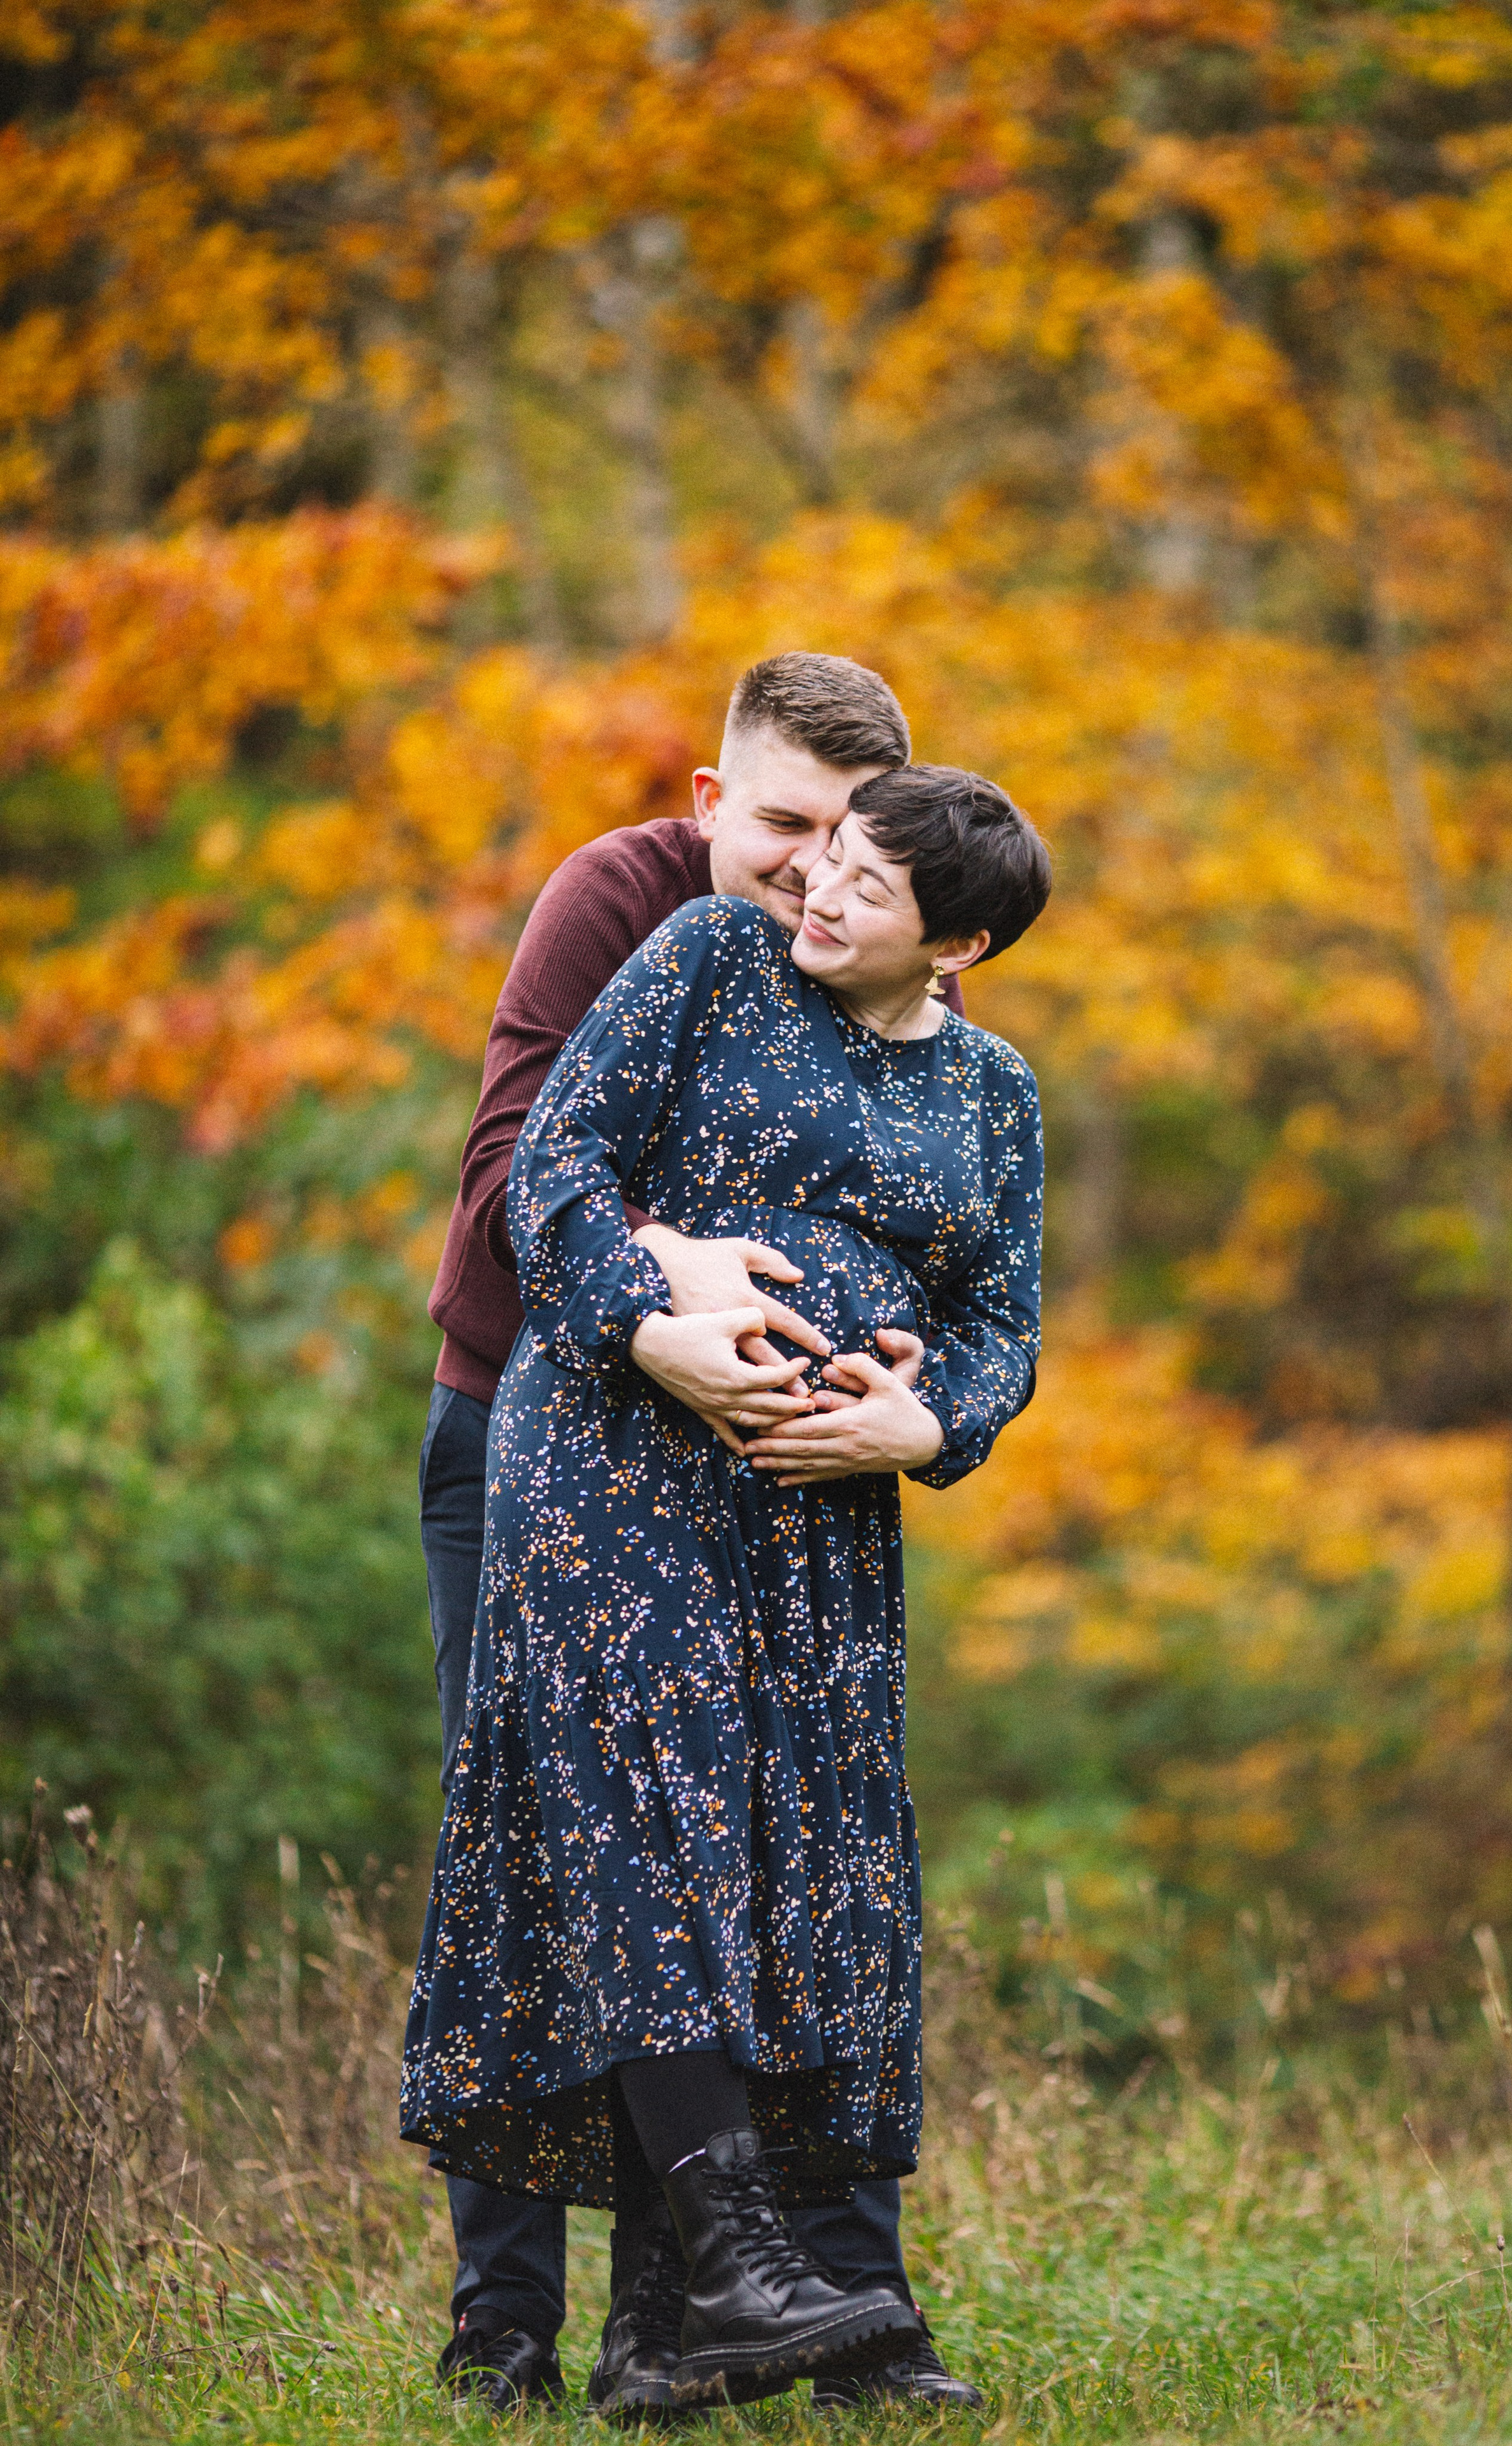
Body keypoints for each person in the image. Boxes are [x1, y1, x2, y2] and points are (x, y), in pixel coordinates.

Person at [403, 757, 1049, 2417]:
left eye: (868, 887)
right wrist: (655, 1324)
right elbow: (548, 1177)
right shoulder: (703, 963)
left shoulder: (994, 1094)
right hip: (614, 1463)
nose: (820, 893)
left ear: (956, 946)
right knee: (654, 1837)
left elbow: (1001, 1325)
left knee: (820, 1868)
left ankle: (730, 2319)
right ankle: (719, 2269)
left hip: (817, 1519)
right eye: (821, 854)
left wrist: (927, 1420)